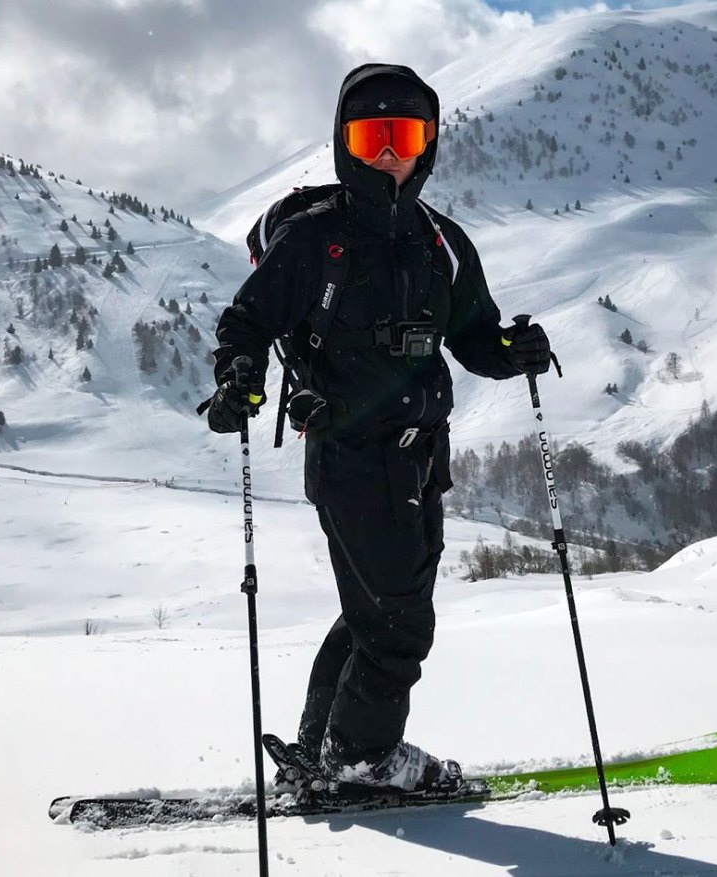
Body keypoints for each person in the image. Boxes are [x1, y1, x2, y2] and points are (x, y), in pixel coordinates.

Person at [206, 63, 551, 793]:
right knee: (398, 629)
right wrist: (238, 377)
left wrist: (509, 352)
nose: (389, 153)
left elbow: (474, 338)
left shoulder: (441, 244)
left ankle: (325, 749)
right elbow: (246, 323)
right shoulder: (313, 240)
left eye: (405, 135)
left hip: (423, 457)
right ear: (345, 143)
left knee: (375, 613)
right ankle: (364, 758)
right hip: (350, 458)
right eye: (371, 137)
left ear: (426, 145)